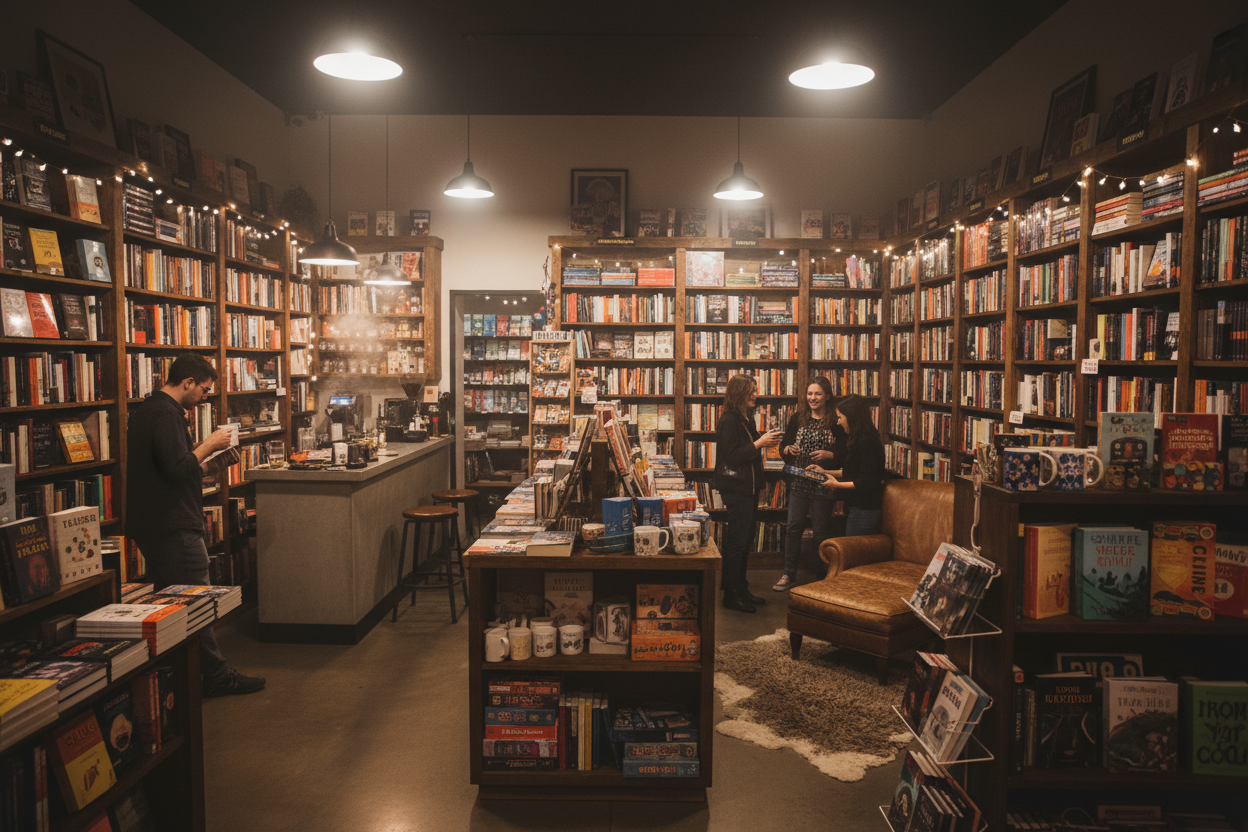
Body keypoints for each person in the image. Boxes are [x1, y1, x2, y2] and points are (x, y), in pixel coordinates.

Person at [127, 354, 266, 697]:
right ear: (187, 382)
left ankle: (180, 677)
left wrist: (211, 466)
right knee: (195, 601)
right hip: (171, 523)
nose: (204, 396)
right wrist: (209, 444)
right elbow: (176, 469)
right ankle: (215, 677)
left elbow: (173, 470)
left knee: (175, 602)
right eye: (203, 390)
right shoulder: (164, 413)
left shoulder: (154, 410)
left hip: (160, 520)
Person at [710, 374, 780, 613]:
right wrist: (760, 443)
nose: (755, 394)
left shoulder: (744, 417)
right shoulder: (729, 420)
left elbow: (746, 450)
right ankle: (731, 595)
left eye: (755, 390)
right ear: (739, 392)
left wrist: (762, 442)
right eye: (751, 390)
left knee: (744, 541)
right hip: (736, 488)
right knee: (737, 543)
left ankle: (740, 588)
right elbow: (732, 456)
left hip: (746, 488)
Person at [773, 377, 844, 591]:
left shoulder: (836, 420)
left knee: (821, 532)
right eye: (810, 393)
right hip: (799, 481)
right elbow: (784, 445)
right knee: (794, 528)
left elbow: (845, 451)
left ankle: (822, 578)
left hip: (824, 482)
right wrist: (786, 450)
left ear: (827, 396)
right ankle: (788, 575)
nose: (812, 398)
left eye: (818, 394)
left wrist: (830, 454)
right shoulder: (798, 418)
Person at [806, 394, 886, 536]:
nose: (838, 422)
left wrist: (836, 484)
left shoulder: (867, 442)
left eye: (840, 417)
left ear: (852, 418)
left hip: (864, 510)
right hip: (856, 507)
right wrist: (825, 472)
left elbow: (868, 481)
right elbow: (853, 472)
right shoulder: (859, 439)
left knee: (855, 554)